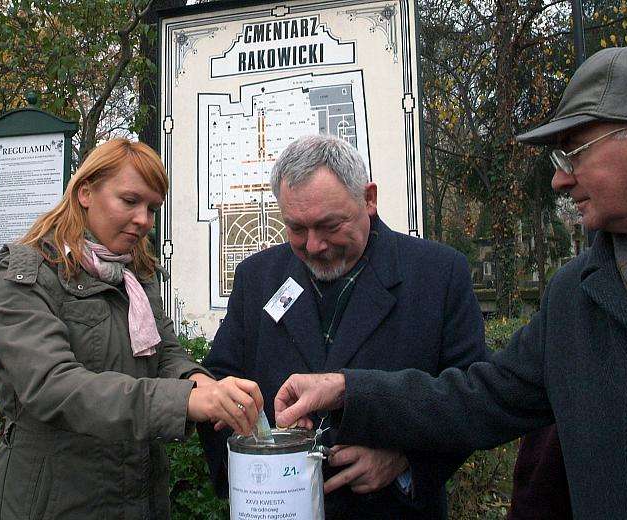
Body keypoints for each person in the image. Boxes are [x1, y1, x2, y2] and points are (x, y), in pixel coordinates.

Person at [274, 44, 627, 520]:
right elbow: (480, 398)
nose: (559, 181)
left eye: (574, 154)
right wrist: (349, 389)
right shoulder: (574, 293)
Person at [200, 134, 489, 519]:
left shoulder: (437, 274)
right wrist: (250, 443)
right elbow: (219, 379)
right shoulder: (257, 278)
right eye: (296, 228)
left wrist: (406, 461)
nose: (314, 245)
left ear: (369, 199)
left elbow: (474, 395)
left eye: (329, 225)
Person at [0, 138, 263, 520]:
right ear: (85, 192)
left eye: (151, 208)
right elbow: (52, 386)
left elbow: (164, 350)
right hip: (53, 501)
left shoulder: (133, 272)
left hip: (138, 496)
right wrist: (182, 400)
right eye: (130, 201)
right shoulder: (28, 273)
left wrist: (204, 384)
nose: (143, 220)